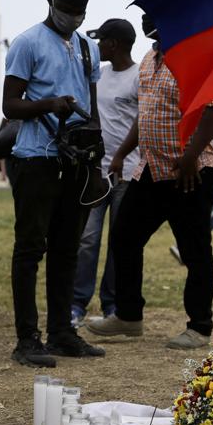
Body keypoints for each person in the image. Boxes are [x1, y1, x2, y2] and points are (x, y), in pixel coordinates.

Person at [85, 15, 213, 350]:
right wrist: (121, 153)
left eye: (153, 15)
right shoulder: (150, 59)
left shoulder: (196, 55)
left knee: (195, 251)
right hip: (151, 169)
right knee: (124, 236)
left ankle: (199, 327)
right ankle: (129, 316)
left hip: (189, 172)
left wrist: (192, 155)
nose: (147, 20)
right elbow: (145, 113)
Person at [2, 0, 105, 367]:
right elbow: (10, 106)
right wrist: (48, 104)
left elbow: (92, 108)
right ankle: (27, 339)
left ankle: (62, 332)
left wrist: (95, 157)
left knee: (67, 250)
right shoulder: (28, 43)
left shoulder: (86, 48)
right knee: (30, 249)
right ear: (50, 1)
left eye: (78, 12)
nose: (72, 17)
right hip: (36, 160)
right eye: (65, 10)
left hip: (76, 161)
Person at [70, 19, 140, 324]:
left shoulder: (139, 77)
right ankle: (77, 304)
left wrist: (127, 159)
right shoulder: (99, 74)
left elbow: (144, 123)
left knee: (119, 242)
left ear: (114, 44)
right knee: (87, 239)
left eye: (102, 41)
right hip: (96, 173)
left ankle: (112, 304)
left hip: (127, 173)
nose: (98, 47)